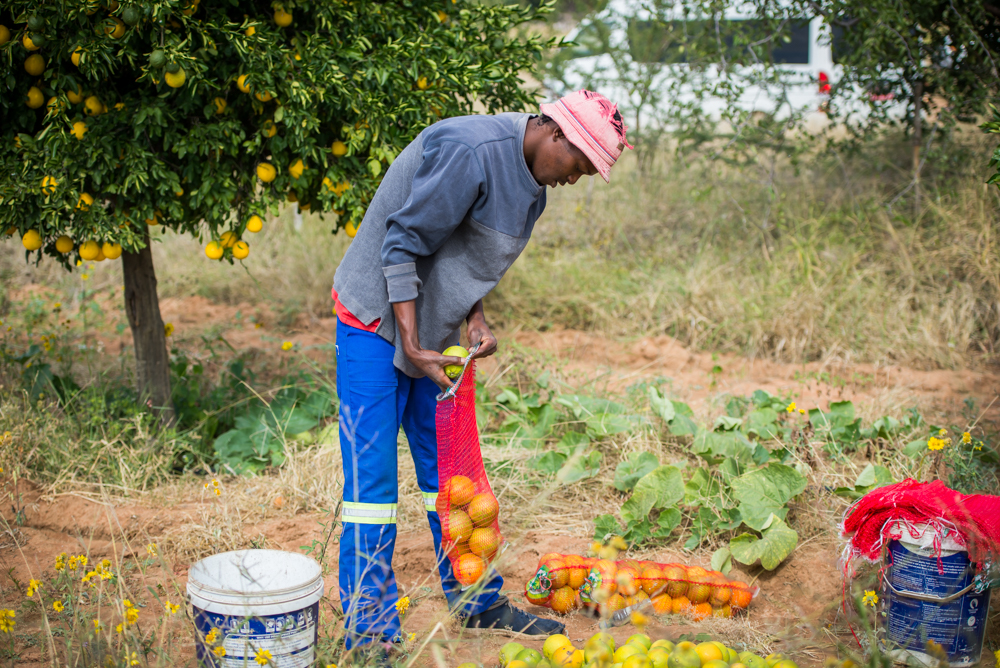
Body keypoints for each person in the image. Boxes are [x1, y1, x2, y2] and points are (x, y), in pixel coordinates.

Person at [331, 89, 633, 652]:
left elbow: (459, 253)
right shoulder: (470, 150)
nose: (579, 178)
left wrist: (474, 317)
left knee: (450, 476)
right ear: (555, 133)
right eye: (581, 163)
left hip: (429, 330)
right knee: (372, 486)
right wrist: (414, 346)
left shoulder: (534, 188)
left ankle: (477, 601)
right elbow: (402, 243)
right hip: (375, 317)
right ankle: (369, 634)